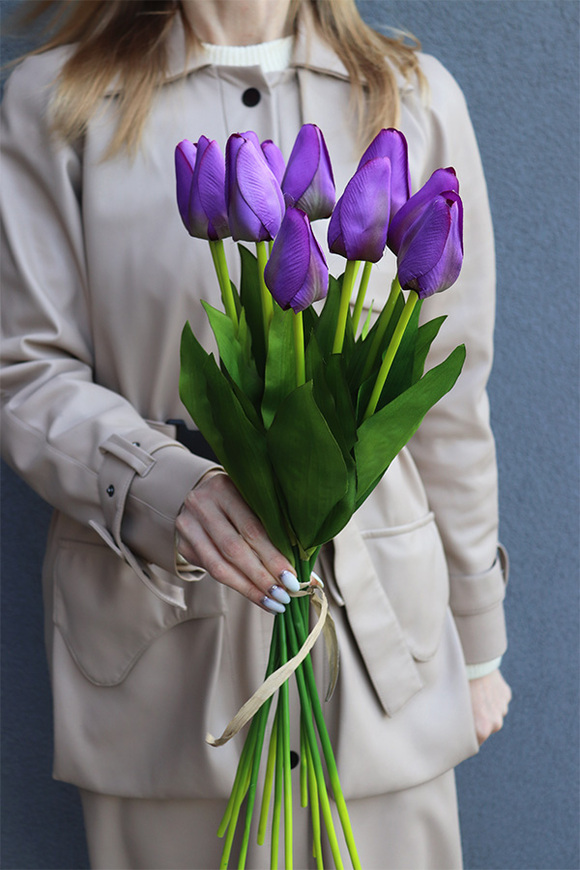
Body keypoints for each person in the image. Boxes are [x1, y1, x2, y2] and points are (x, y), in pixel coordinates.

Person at [1, 1, 512, 867]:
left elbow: (449, 399)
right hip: (155, 665)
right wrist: (165, 484)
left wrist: (479, 638)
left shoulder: (409, 97)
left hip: (383, 654)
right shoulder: (62, 100)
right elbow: (27, 370)